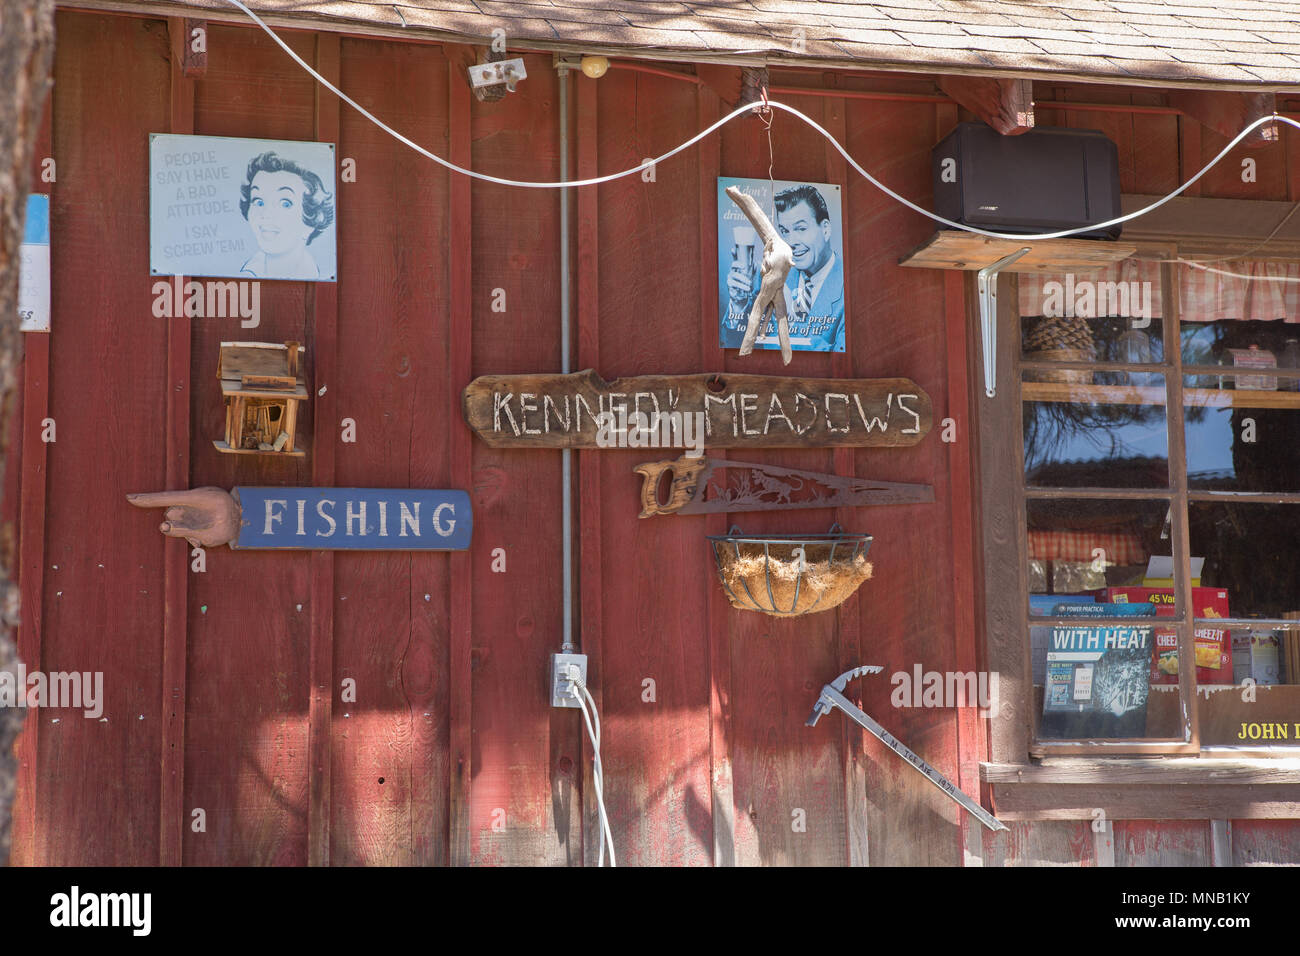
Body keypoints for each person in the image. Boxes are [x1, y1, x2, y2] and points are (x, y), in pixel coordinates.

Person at [238, 151, 334, 279]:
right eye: (259, 202)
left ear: (312, 220)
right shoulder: (248, 272)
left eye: (285, 204)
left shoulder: (318, 276)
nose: (266, 214)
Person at [774, 184, 844, 352]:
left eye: (801, 229)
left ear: (825, 229)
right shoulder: (774, 278)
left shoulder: (850, 288)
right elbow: (737, 342)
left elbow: (838, 355)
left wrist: (789, 320)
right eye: (785, 231)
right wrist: (738, 306)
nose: (791, 242)